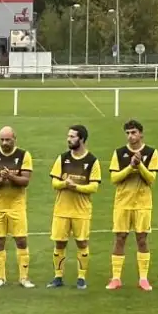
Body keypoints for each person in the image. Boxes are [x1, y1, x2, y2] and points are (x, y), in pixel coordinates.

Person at [48, 124, 101, 289]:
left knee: (82, 243)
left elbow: (94, 187)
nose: (68, 139)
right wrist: (65, 183)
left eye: (72, 136)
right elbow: (54, 183)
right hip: (62, 210)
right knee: (59, 243)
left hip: (81, 211)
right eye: (68, 136)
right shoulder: (62, 158)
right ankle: (58, 277)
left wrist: (75, 187)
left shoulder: (92, 161)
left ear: (82, 139)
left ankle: (81, 278)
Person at [108, 119, 158, 291]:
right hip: (122, 203)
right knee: (120, 238)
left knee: (142, 239)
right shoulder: (119, 153)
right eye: (128, 133)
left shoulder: (151, 152)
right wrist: (131, 166)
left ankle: (143, 278)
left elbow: (151, 179)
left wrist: (140, 165)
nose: (131, 136)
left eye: (134, 132)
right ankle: (116, 278)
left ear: (141, 134)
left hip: (143, 204)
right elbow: (114, 178)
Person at [0, 125, 34, 289]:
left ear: (14, 139)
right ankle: (0, 277)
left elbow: (25, 181)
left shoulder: (24, 155)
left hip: (17, 206)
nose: (4, 143)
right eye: (2, 139)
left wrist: (10, 175)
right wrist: (1, 179)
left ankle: (24, 278)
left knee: (21, 239)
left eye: (8, 140)